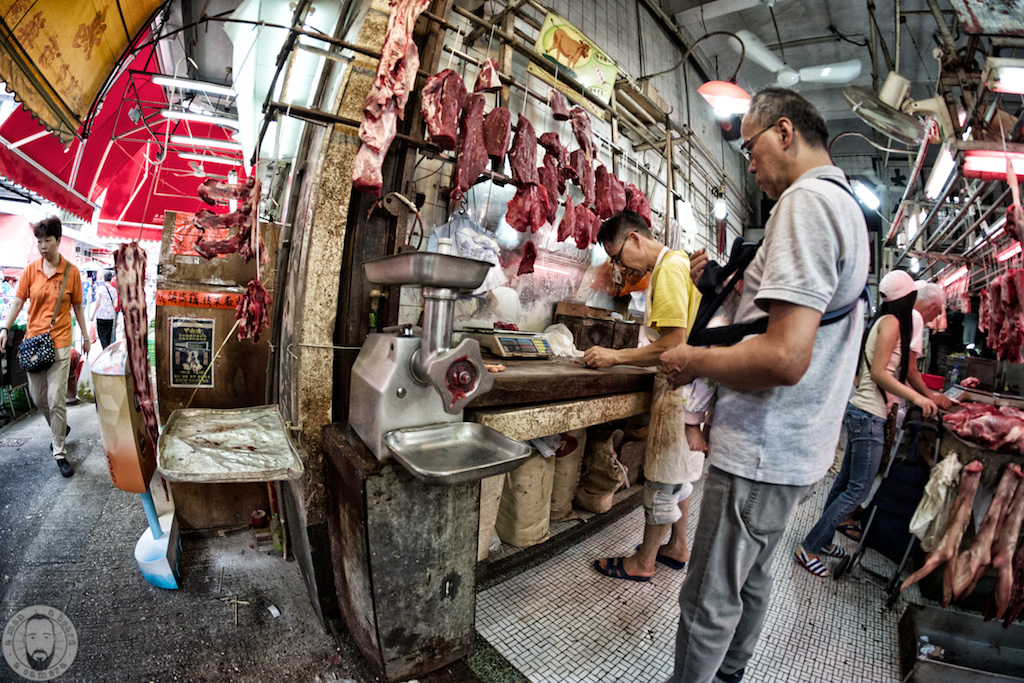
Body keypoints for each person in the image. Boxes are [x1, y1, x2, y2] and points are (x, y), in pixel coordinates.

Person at [659, 87, 869, 683]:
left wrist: (694, 361)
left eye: (750, 148)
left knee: (708, 601)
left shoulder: (805, 205)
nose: (748, 164)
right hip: (796, 448)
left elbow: (783, 358)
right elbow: (785, 324)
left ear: (783, 132)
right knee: (750, 583)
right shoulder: (844, 205)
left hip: (760, 447)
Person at [794, 271, 952, 576]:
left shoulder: (886, 321)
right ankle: (809, 547)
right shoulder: (892, 323)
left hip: (863, 412)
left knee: (844, 484)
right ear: (906, 298)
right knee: (857, 491)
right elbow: (881, 373)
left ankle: (822, 540)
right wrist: (919, 399)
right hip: (869, 415)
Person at [584, 210, 702, 581]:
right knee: (679, 474)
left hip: (677, 386)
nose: (620, 267)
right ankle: (677, 546)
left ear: (635, 238)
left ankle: (643, 562)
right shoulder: (680, 262)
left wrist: (615, 356)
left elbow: (673, 343)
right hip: (696, 389)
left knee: (663, 478)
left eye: (618, 256)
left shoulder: (667, 270)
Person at [831, 279, 953, 544]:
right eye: (937, 312)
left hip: (863, 405)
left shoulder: (887, 319)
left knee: (848, 480)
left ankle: (827, 531)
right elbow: (892, 371)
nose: (936, 318)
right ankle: (821, 536)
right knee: (857, 485)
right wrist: (923, 397)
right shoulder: (902, 321)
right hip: (871, 409)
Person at [0, 217, 90, 478]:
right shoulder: (30, 270)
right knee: (38, 397)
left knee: (55, 398)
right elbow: (17, 303)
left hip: (60, 342)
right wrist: (5, 328)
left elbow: (79, 307)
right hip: (33, 344)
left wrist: (84, 335)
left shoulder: (71, 272)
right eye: (38, 241)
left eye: (47, 240)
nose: (42, 246)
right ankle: (59, 427)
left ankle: (59, 451)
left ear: (58, 241)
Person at [91, 269, 118, 348]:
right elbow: (115, 305)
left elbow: (97, 303)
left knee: (102, 336)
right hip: (110, 316)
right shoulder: (114, 290)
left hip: (101, 316)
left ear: (104, 278)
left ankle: (105, 351)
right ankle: (107, 351)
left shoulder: (101, 289)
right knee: (108, 336)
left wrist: (92, 316)